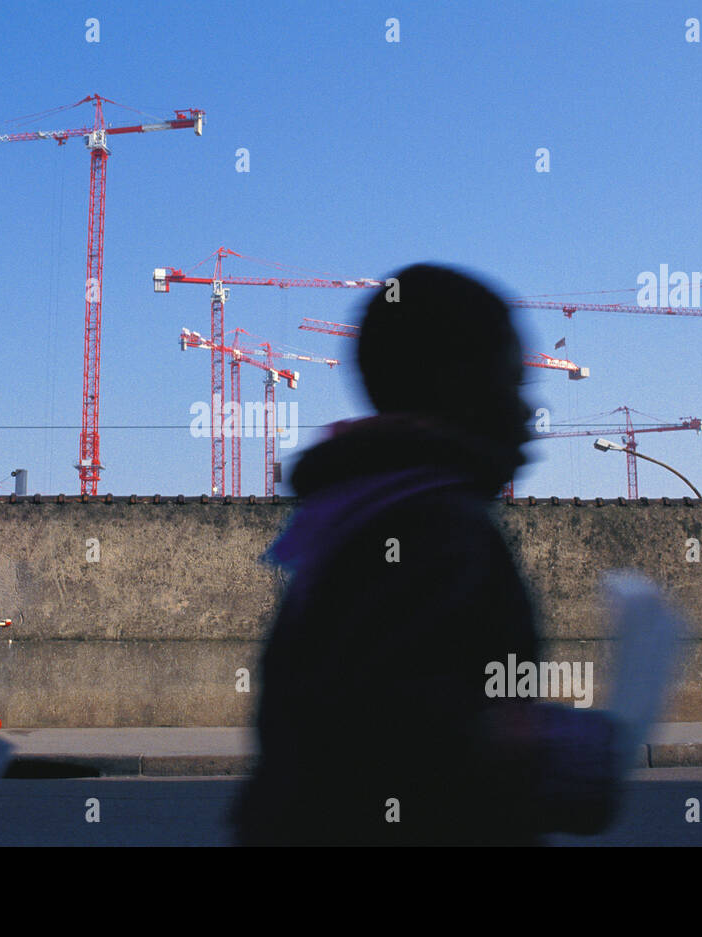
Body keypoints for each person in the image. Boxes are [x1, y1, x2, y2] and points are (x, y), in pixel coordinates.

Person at [232, 264, 623, 845]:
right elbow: (390, 730)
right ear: (457, 380)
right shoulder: (436, 528)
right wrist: (556, 751)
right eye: (513, 382)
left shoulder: (353, 514)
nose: (528, 413)